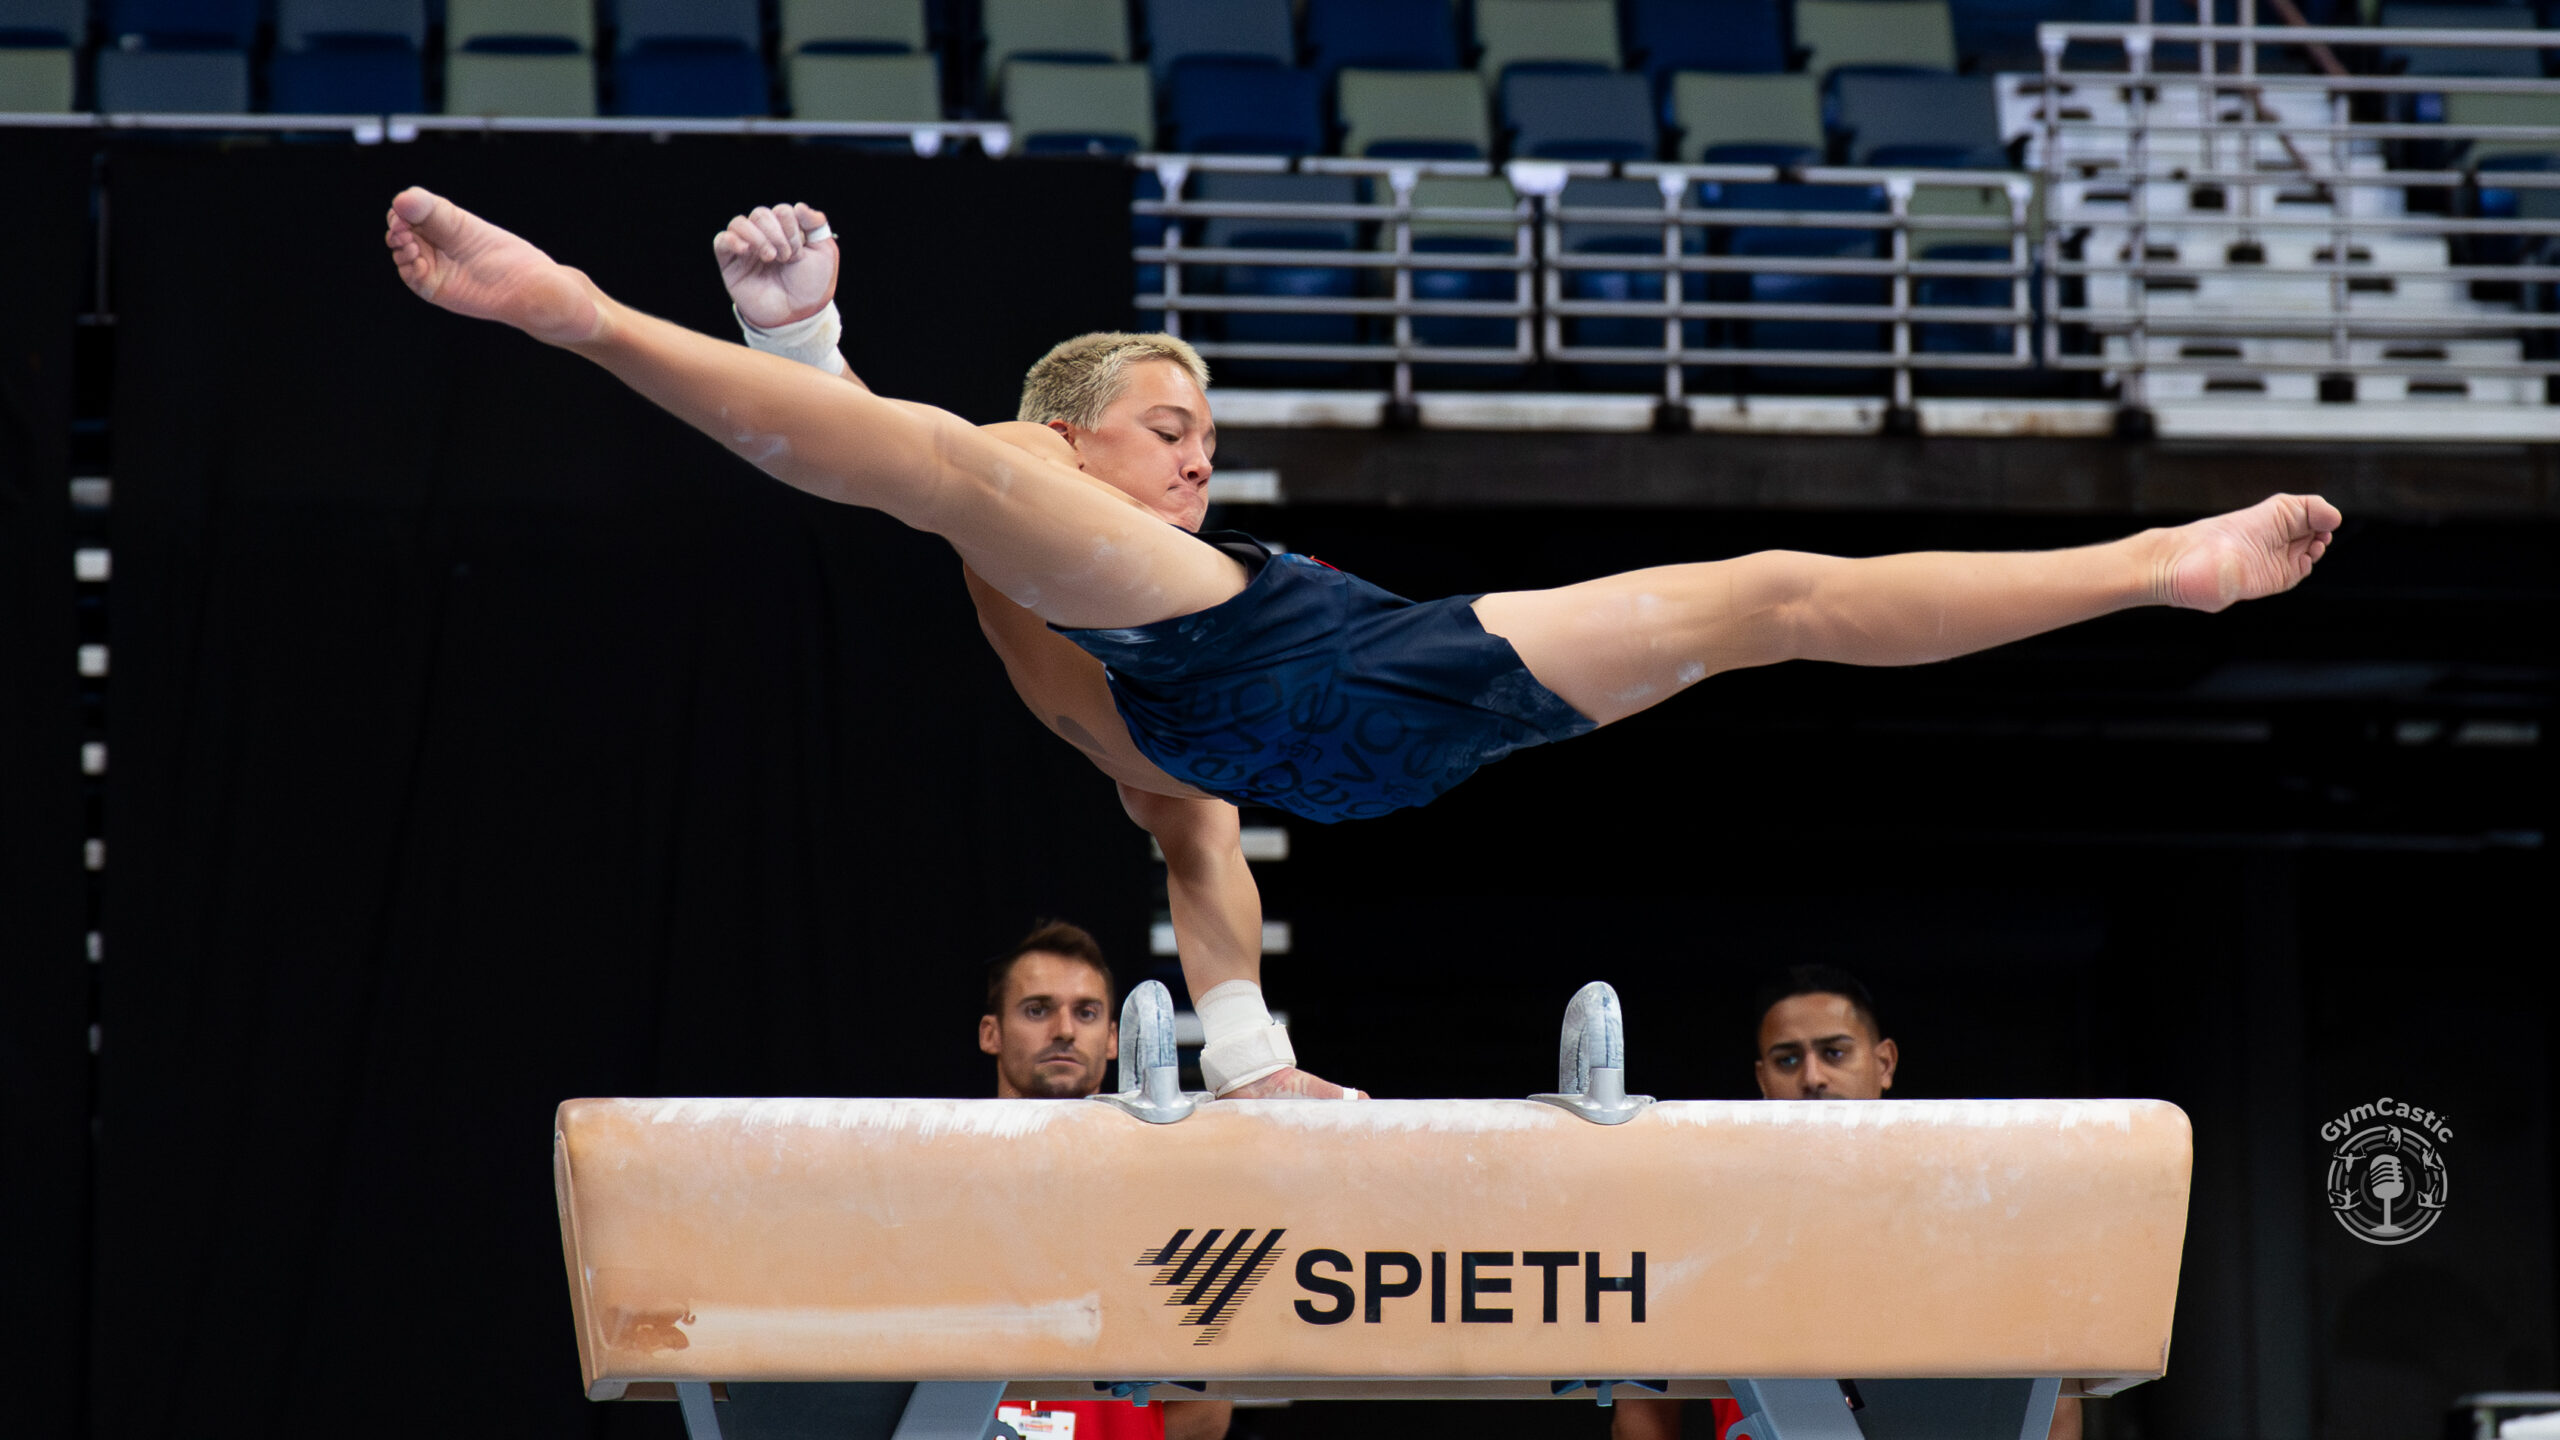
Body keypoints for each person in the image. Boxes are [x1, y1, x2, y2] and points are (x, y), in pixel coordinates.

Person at [381, 187, 2341, 1103]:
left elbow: (1192, 840)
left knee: (1774, 598)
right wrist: (790, 351)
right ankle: (575, 310)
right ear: (1071, 437)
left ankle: (2160, 565)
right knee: (955, 484)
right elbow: (928, 474)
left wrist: (1246, 1051)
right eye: (1168, 429)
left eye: (1209, 435)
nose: (1197, 456)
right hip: (1268, 695)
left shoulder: (1077, 599)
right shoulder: (1027, 495)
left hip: (1357, 691)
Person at [1610, 965, 2080, 1440]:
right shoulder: (1710, 1225)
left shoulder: (1967, 1216)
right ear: (1762, 1079)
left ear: (1885, 1063)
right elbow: (1642, 1411)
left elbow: (2053, 1404)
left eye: (1834, 1053)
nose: (1813, 1077)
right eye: (1788, 1060)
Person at [978, 921, 1235, 1440]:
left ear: (1114, 1038)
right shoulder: (949, 1183)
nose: (1064, 1030)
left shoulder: (1166, 1192)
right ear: (992, 1033)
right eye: (1038, 1010)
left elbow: (1205, 1415)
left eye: (1086, 1012)